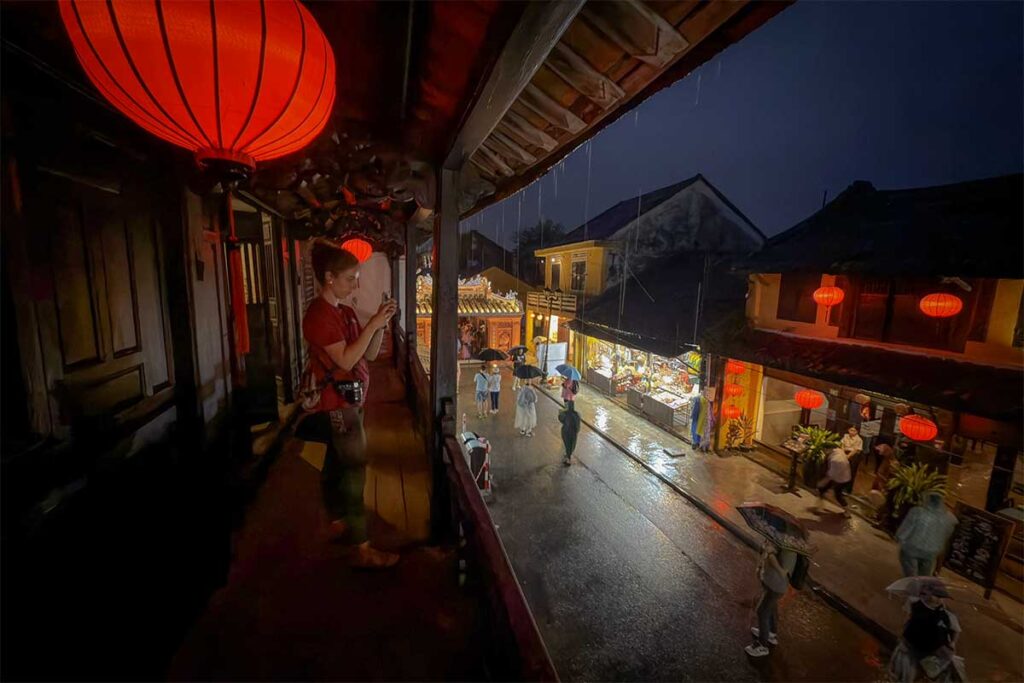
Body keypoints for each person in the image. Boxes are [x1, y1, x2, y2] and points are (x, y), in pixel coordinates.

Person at [300, 239, 398, 569]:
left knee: (337, 463)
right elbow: (344, 360)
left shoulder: (344, 311)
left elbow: (367, 355)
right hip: (337, 402)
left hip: (352, 398)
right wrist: (371, 324)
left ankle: (340, 520)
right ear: (329, 277)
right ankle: (363, 546)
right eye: (349, 278)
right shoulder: (319, 315)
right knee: (355, 469)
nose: (355, 284)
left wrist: (380, 326)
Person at [888, 583, 965, 682]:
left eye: (941, 597)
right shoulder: (914, 603)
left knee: (929, 674)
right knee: (905, 677)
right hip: (911, 647)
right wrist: (902, 636)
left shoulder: (947, 614)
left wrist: (952, 643)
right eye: (936, 596)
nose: (938, 599)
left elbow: (955, 630)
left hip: (931, 651)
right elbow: (907, 620)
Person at [745, 541, 796, 657]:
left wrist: (769, 552)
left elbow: (781, 568)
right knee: (771, 608)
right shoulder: (779, 538)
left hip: (776, 585)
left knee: (762, 611)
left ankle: (763, 645)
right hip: (771, 582)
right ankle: (771, 634)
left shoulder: (787, 543)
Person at [896, 491, 958, 577]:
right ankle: (921, 584)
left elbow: (905, 530)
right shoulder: (949, 518)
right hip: (931, 552)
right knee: (924, 573)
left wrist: (900, 538)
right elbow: (947, 535)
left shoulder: (917, 512)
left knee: (910, 570)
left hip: (912, 548)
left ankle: (911, 582)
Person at [816, 447, 852, 517]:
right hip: (840, 475)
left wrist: (822, 482)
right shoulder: (837, 451)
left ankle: (848, 512)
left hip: (842, 479)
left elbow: (831, 475)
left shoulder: (836, 460)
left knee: (838, 494)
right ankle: (819, 506)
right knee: (823, 489)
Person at [559, 402, 582, 466]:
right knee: (571, 445)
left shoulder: (565, 414)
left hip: (567, 433)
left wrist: (560, 413)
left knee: (567, 445)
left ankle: (568, 459)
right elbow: (578, 425)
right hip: (574, 433)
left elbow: (561, 419)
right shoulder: (577, 414)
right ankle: (568, 455)